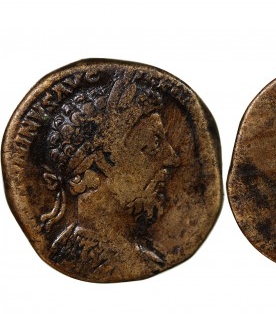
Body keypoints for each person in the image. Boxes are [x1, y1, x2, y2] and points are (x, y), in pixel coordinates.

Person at [40, 73, 179, 281]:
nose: (173, 159)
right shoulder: (87, 260)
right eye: (154, 145)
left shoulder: (137, 257)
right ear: (97, 165)